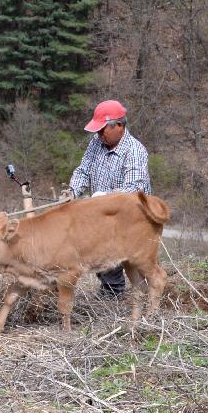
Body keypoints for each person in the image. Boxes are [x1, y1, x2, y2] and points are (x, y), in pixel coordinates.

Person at [69, 100, 151, 297]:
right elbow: (83, 170)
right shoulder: (96, 143)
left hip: (132, 217)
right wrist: (72, 192)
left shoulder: (135, 151)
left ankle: (146, 296)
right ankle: (111, 293)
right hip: (103, 215)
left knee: (137, 263)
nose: (99, 134)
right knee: (101, 254)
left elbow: (134, 189)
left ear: (120, 126)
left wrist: (103, 197)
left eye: (103, 129)